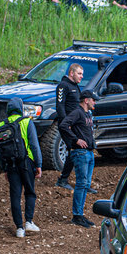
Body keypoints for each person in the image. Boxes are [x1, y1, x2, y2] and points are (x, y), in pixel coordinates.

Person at [0, 98, 42, 238]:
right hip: (26, 162)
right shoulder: (26, 121)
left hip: (11, 165)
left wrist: (4, 168)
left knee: (15, 196)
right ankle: (29, 221)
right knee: (30, 192)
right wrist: (38, 164)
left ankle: (19, 228)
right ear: (20, 108)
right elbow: (34, 145)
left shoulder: (2, 124)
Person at [59, 90, 97, 228]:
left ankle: (80, 214)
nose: (95, 102)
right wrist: (75, 139)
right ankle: (77, 216)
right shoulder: (77, 112)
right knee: (81, 184)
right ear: (86, 100)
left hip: (88, 152)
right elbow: (63, 125)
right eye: (93, 100)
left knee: (85, 184)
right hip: (80, 153)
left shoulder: (87, 114)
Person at [55, 63, 84, 191]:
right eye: (79, 73)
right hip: (67, 125)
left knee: (80, 150)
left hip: (76, 125)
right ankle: (63, 179)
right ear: (71, 73)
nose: (81, 76)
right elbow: (60, 106)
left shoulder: (76, 86)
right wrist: (66, 124)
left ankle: (83, 182)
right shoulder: (63, 86)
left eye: (82, 74)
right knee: (74, 149)